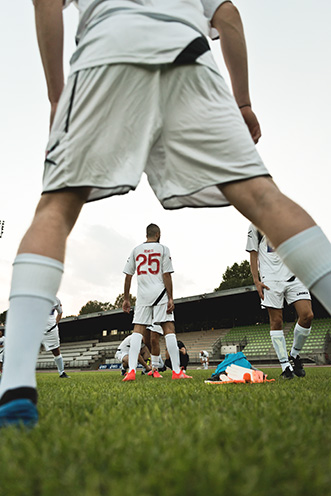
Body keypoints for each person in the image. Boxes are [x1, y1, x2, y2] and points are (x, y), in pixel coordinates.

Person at [1, 0, 331, 426]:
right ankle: (170, 367)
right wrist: (244, 103)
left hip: (106, 49)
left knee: (57, 208)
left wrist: (55, 97)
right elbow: (227, 16)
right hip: (188, 53)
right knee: (265, 199)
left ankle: (15, 386)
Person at [122, 224, 192, 381]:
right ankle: (176, 371)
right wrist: (171, 297)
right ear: (158, 234)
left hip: (142, 296)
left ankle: (131, 371)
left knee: (137, 330)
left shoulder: (135, 250)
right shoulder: (163, 249)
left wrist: (126, 298)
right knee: (169, 328)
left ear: (146, 234)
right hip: (160, 294)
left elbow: (128, 276)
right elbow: (167, 275)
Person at [246, 223, 314, 379]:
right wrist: (256, 281)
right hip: (270, 278)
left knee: (307, 315)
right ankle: (285, 366)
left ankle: (294, 355)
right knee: (276, 321)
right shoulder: (255, 225)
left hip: (294, 275)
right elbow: (253, 253)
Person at [40, 296, 70, 379]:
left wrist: (55, 324)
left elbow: (60, 313)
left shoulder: (55, 299)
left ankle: (62, 372)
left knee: (56, 350)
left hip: (51, 330)